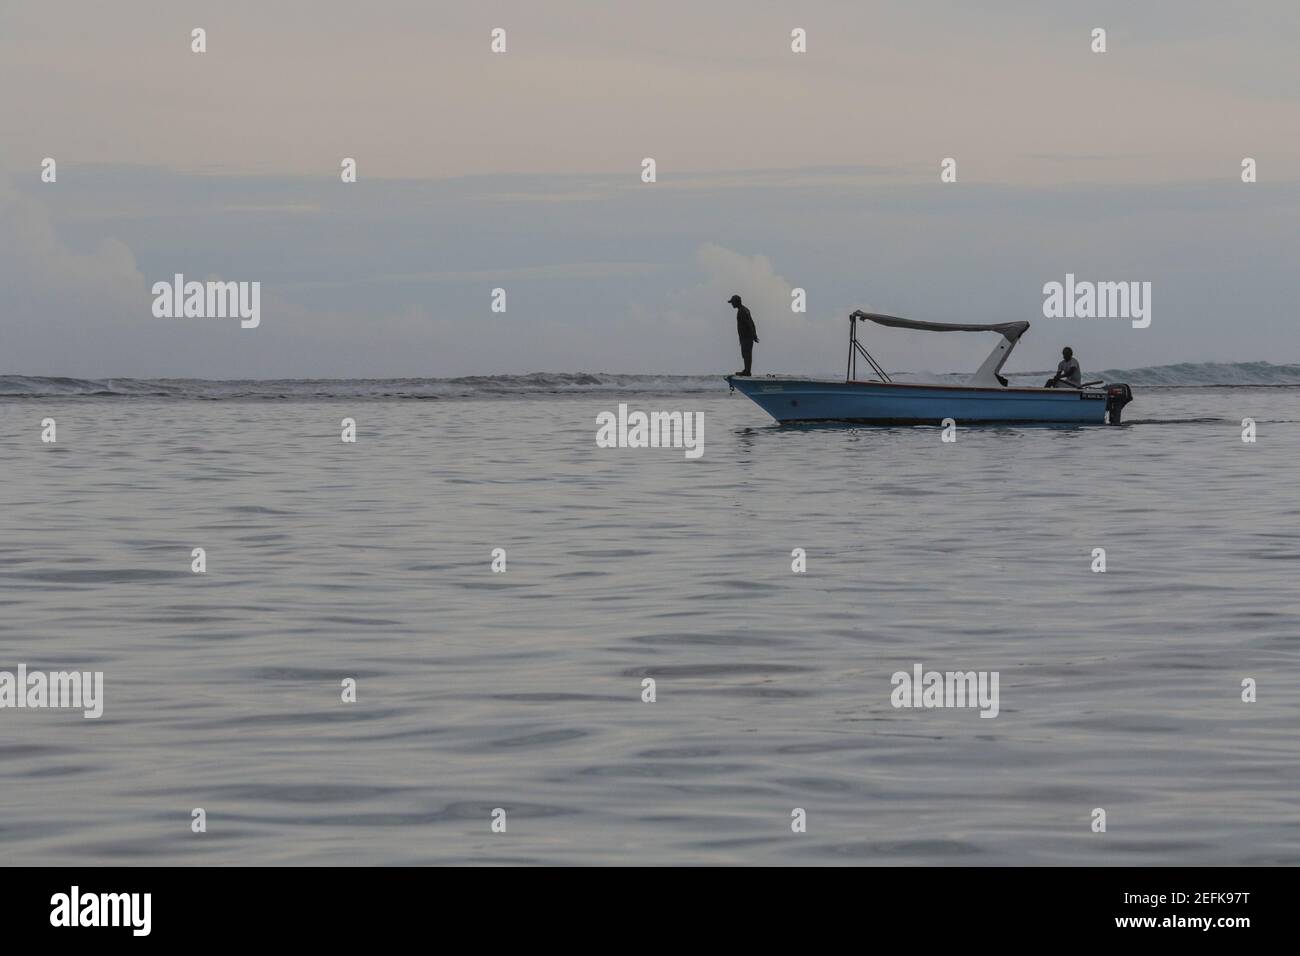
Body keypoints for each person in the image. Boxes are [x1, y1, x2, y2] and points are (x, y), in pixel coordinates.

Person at [727, 294, 759, 376]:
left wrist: (754, 335)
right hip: (746, 337)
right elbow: (752, 322)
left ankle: (747, 371)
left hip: (746, 337)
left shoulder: (742, 311)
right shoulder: (745, 310)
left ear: (736, 302)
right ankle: (746, 370)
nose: (732, 304)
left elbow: (749, 323)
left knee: (746, 354)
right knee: (745, 354)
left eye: (732, 302)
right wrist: (754, 335)